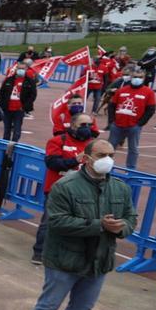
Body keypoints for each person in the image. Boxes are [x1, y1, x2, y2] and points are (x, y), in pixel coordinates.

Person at [22, 140, 136, 310]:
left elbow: (131, 218)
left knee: (82, 307)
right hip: (65, 259)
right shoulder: (65, 186)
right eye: (101, 154)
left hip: (99, 260)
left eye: (111, 154)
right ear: (86, 158)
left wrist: (121, 227)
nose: (108, 159)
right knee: (49, 304)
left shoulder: (120, 188)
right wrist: (99, 225)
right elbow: (56, 221)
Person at [32, 113, 96, 265]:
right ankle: (39, 252)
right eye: (83, 125)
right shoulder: (57, 141)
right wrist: (75, 160)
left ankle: (68, 254)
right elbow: (53, 164)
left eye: (89, 125)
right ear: (73, 125)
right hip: (57, 190)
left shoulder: (93, 145)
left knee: (78, 224)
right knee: (49, 222)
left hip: (82, 192)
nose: (86, 128)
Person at [106, 66, 155, 170]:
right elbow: (112, 106)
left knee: (133, 149)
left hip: (134, 126)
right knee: (110, 148)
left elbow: (151, 109)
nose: (137, 79)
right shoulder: (121, 90)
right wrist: (111, 121)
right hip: (117, 125)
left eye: (140, 77)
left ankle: (130, 169)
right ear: (131, 77)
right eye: (135, 76)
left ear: (144, 78)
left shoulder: (148, 92)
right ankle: (106, 167)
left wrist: (140, 123)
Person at [0, 64, 36, 142]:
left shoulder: (29, 81)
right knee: (6, 130)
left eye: (23, 68)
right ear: (16, 69)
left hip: (19, 109)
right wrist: (2, 105)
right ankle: (5, 147)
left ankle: (14, 146)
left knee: (17, 130)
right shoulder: (9, 80)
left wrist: (25, 107)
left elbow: (32, 95)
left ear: (26, 70)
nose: (20, 70)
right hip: (7, 108)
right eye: (19, 68)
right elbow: (1, 93)